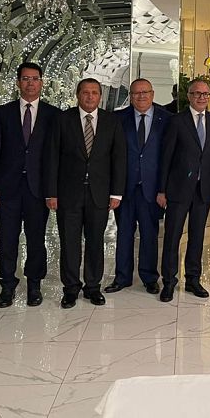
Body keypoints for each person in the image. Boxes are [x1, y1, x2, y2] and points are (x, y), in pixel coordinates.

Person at [45, 78, 126, 309]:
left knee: (95, 241)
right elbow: (52, 157)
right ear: (77, 95)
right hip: (68, 193)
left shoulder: (112, 121)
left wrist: (116, 193)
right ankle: (70, 288)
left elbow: (119, 158)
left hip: (99, 194)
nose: (90, 97)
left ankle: (92, 287)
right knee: (69, 242)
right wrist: (51, 192)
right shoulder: (63, 120)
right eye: (85, 92)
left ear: (100, 96)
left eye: (94, 93)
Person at [0, 62, 59, 308]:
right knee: (6, 239)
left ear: (42, 82)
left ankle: (34, 285)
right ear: (18, 82)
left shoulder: (54, 115)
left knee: (36, 239)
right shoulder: (1, 113)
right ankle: (7, 285)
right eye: (26, 78)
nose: (30, 83)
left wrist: (52, 191)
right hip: (7, 188)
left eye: (35, 78)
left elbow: (56, 157)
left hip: (38, 189)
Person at [157, 79, 210, 302]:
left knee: (197, 236)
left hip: (203, 191)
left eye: (205, 94)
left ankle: (193, 279)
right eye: (197, 93)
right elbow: (166, 157)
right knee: (172, 237)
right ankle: (169, 281)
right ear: (189, 96)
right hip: (178, 189)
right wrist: (162, 190)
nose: (202, 97)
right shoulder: (176, 121)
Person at [105, 79, 170, 295]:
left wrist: (164, 189)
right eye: (136, 93)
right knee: (124, 233)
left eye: (145, 92)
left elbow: (169, 157)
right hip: (125, 188)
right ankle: (122, 277)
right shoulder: (117, 118)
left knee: (150, 234)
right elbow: (111, 154)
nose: (141, 96)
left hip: (152, 189)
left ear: (152, 94)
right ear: (130, 96)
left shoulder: (166, 119)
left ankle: (149, 277)